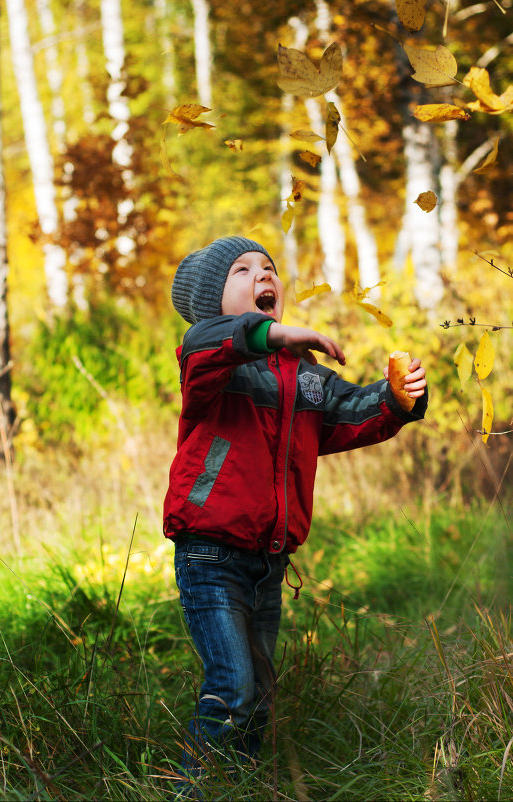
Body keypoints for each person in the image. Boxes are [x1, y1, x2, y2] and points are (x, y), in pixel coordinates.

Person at [163, 236, 427, 793]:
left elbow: (348, 415)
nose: (263, 275)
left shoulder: (305, 375)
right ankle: (190, 790)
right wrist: (275, 334)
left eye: (269, 268)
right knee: (231, 687)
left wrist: (396, 400)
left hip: (268, 562)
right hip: (210, 552)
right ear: (215, 300)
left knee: (257, 694)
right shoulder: (210, 356)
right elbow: (210, 343)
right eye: (242, 270)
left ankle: (240, 786)